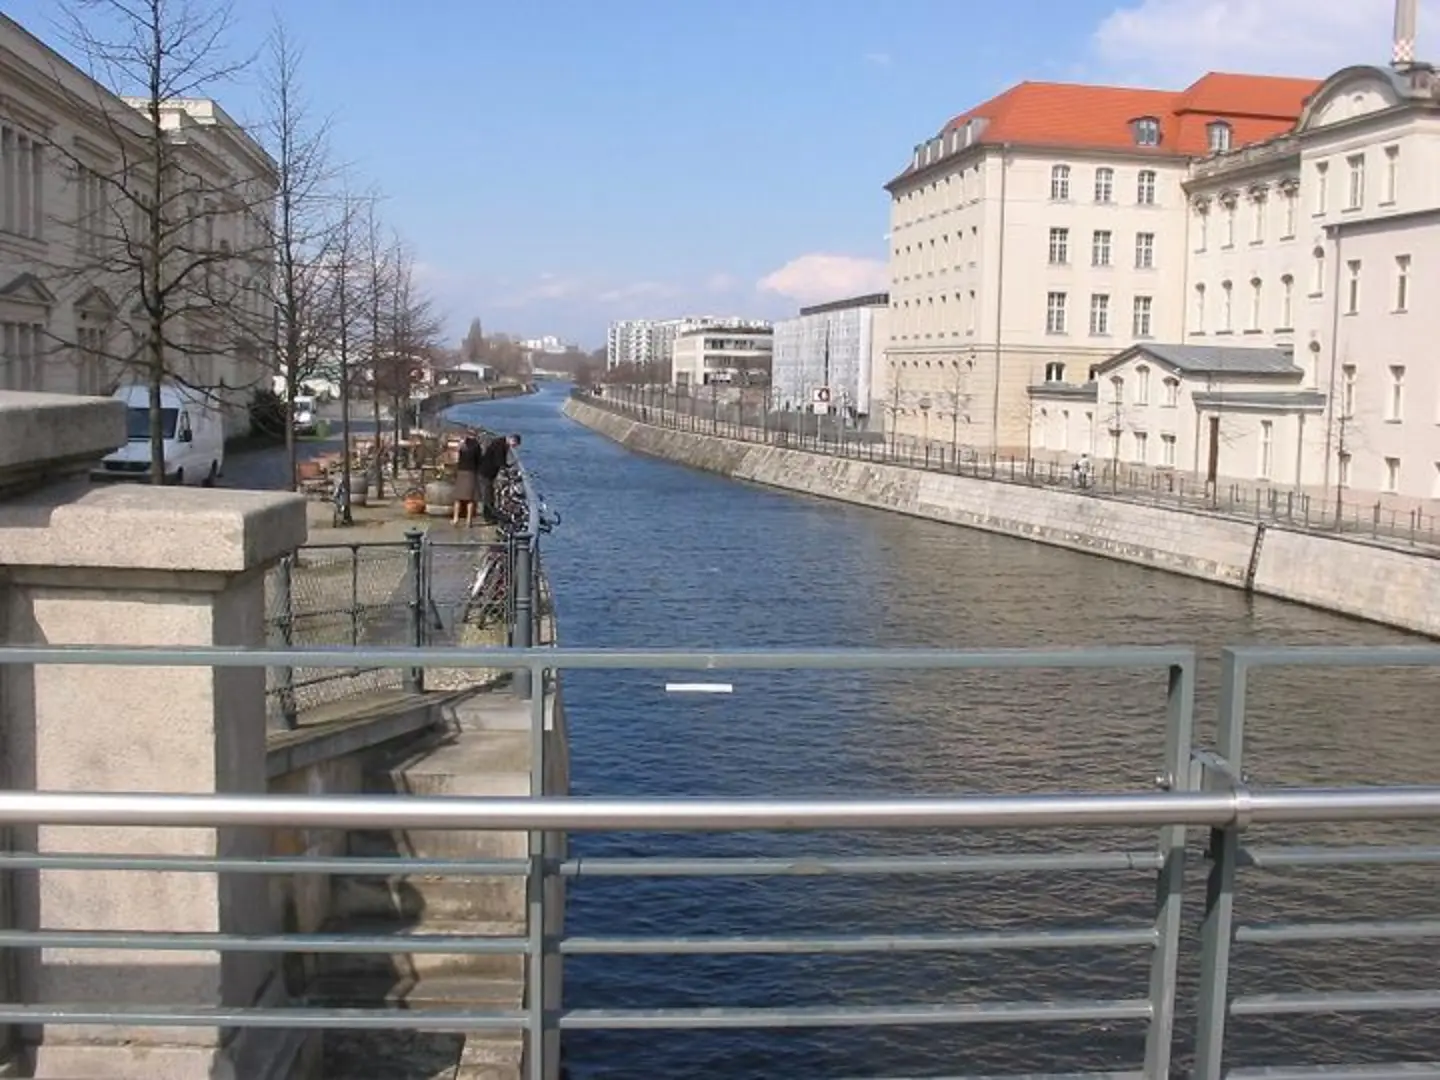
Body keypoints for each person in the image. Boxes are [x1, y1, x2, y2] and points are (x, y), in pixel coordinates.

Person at [477, 432, 522, 524]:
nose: (513, 447)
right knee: (488, 496)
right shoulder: (499, 444)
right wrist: (506, 469)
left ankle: (489, 516)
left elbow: (501, 461)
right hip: (485, 473)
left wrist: (507, 466)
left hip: (489, 473)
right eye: (514, 445)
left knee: (489, 495)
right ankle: (490, 517)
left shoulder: (502, 443)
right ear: (511, 439)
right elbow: (499, 461)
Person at [452, 429, 482, 527]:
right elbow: (479, 460)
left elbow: (458, 456)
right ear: (475, 435)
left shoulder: (462, 445)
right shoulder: (477, 446)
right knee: (470, 499)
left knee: (458, 498)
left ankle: (456, 518)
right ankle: (469, 521)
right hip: (471, 473)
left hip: (461, 471)